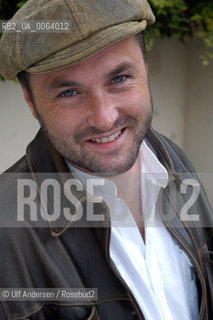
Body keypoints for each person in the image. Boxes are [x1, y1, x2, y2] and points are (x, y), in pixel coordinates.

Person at [0, 0, 212, 319]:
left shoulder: (172, 161)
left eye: (119, 78)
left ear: (146, 66)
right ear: (31, 100)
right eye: (69, 93)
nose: (104, 118)